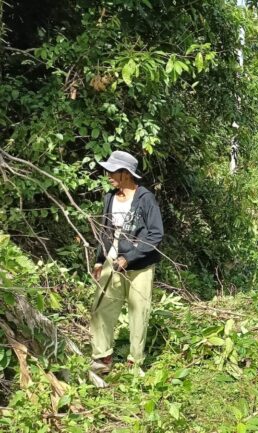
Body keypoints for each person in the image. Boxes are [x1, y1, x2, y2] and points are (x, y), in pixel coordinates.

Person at [90, 150, 164, 376]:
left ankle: (135, 362)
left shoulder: (145, 199)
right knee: (101, 308)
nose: (108, 174)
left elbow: (156, 234)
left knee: (138, 312)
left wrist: (130, 257)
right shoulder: (110, 198)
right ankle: (102, 358)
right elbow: (105, 232)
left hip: (139, 266)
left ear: (127, 174)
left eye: (113, 171)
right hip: (112, 262)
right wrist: (99, 261)